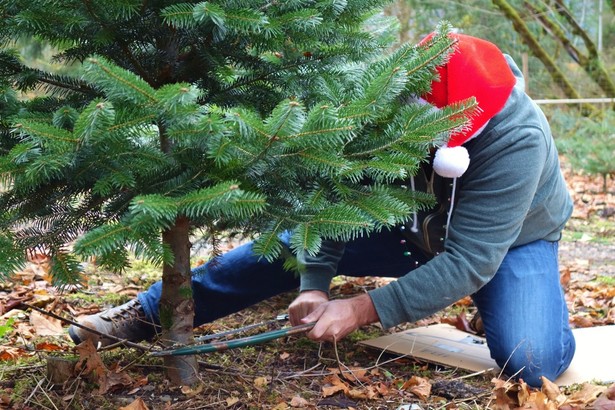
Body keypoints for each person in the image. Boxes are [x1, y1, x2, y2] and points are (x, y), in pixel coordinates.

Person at [69, 33, 576, 388]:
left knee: (533, 362)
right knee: (289, 248)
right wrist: (314, 281)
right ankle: (144, 314)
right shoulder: (391, 101)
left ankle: (523, 303)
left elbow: (470, 259)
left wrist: (359, 310)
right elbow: (340, 199)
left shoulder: (518, 139)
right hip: (408, 226)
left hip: (508, 243)